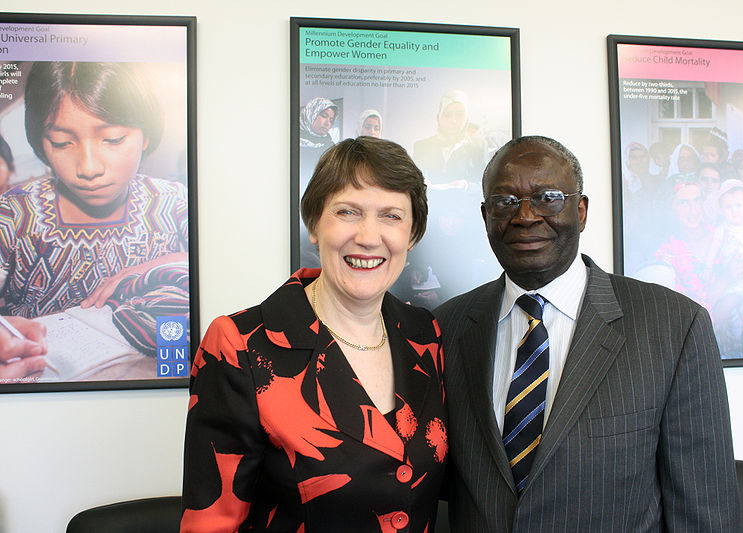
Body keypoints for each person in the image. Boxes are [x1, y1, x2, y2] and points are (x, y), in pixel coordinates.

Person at [434, 135, 738, 532]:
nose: (525, 215)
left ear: (581, 211)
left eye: (548, 197)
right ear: (485, 216)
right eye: (505, 201)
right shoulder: (446, 328)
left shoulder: (675, 326)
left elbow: (705, 513)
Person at [181, 137, 447, 532]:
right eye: (347, 211)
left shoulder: (426, 334)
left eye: (391, 216)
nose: (369, 237)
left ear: (412, 235)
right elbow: (210, 523)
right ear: (313, 224)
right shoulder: (240, 346)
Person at [0, 62, 188, 325]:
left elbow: (220, 265)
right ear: (40, 143)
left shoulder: (174, 203)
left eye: (112, 139)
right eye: (62, 143)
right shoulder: (12, 215)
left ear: (145, 135)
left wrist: (159, 266)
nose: (89, 168)